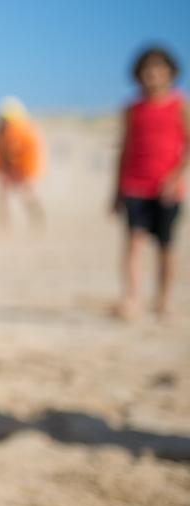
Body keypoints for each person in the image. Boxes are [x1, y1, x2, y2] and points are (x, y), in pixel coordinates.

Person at [113, 45, 188, 320]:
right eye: (147, 71)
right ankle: (132, 298)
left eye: (159, 71)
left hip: (167, 188)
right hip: (134, 184)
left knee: (166, 247)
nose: (153, 76)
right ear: (138, 75)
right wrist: (116, 190)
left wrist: (176, 177)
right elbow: (124, 149)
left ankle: (163, 300)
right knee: (133, 243)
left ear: (170, 73)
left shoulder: (179, 105)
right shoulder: (132, 108)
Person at [0, 96, 45, 231]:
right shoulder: (9, 130)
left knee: (25, 194)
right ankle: (5, 224)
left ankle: (35, 218)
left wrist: (14, 170)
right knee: (5, 196)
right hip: (15, 169)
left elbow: (14, 152)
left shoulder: (16, 130)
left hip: (21, 169)